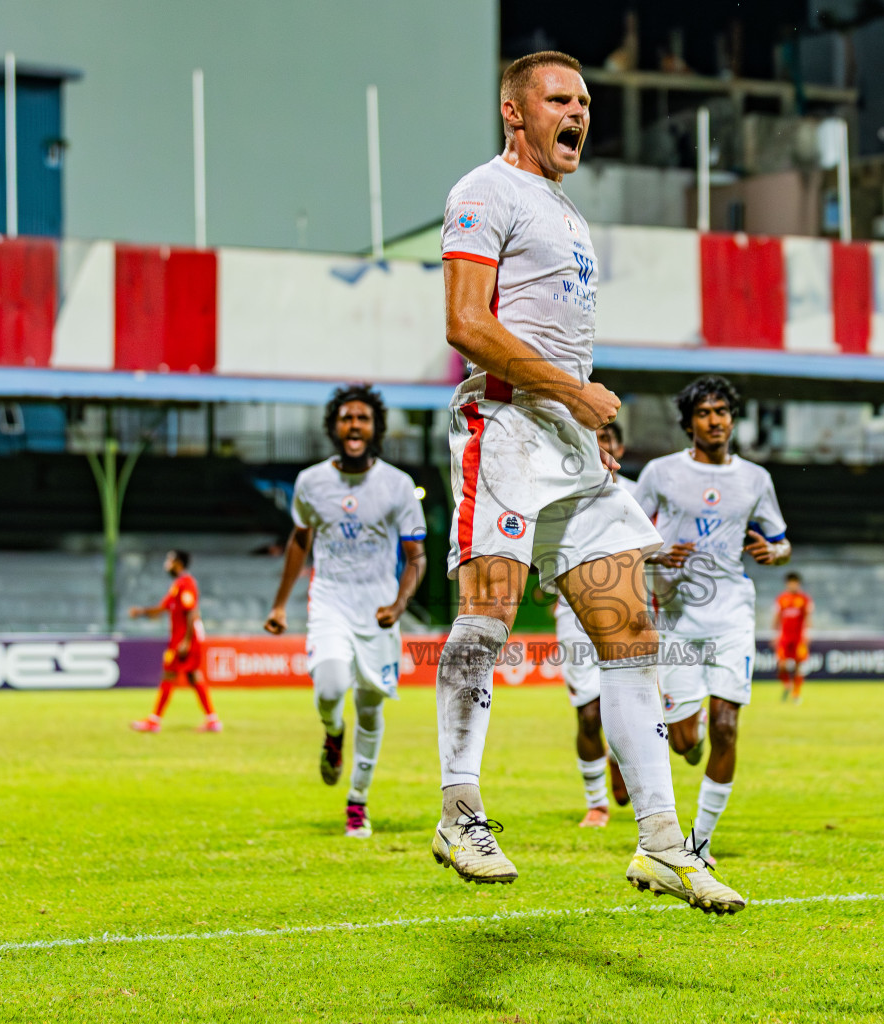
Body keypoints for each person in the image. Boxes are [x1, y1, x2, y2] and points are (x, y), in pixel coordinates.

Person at [434, 50, 744, 913]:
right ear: (514, 112)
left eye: (585, 102)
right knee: (485, 618)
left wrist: (583, 422)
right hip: (502, 431)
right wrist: (575, 392)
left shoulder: (565, 213)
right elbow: (464, 322)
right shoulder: (482, 192)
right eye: (560, 99)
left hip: (570, 448)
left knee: (630, 631)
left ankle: (659, 844)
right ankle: (461, 810)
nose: (579, 113)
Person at [635, 375, 791, 865]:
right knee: (687, 743)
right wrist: (657, 555)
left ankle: (699, 844)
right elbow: (627, 536)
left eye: (721, 411)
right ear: (688, 424)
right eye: (704, 413)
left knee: (727, 726)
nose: (715, 420)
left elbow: (783, 541)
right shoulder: (660, 474)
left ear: (732, 418)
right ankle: (687, 727)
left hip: (731, 613)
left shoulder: (755, 480)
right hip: (678, 616)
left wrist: (774, 552)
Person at [263, 384, 427, 839]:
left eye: (363, 418)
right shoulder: (311, 481)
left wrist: (399, 604)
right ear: (334, 426)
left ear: (375, 428)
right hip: (330, 597)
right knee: (332, 686)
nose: (354, 426)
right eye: (346, 418)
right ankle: (333, 731)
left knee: (371, 708)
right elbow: (300, 540)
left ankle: (357, 802)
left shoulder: (396, 485)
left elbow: (417, 558)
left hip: (376, 606)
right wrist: (280, 604)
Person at [552, 422, 636, 828]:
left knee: (629, 708)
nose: (602, 445)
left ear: (620, 446)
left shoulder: (637, 494)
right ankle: (596, 803)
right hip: (573, 615)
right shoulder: (562, 491)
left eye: (608, 438)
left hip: (628, 614)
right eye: (595, 438)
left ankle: (623, 762)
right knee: (588, 714)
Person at [129, 550, 221, 733]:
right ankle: (213, 720)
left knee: (169, 675)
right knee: (193, 676)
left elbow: (191, 612)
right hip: (183, 637)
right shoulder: (178, 585)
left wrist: (186, 641)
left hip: (185, 638)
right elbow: (162, 609)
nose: (167, 564)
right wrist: (141, 612)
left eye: (169, 560)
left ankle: (154, 721)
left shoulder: (186, 583)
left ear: (178, 563)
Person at [772, 573, 812, 704]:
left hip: (799, 638)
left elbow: (808, 618)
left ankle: (796, 693)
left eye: (795, 582)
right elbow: (776, 617)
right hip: (784, 637)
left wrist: (808, 634)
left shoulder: (804, 599)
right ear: (787, 584)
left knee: (799, 666)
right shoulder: (781, 599)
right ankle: (787, 684)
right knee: (781, 665)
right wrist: (774, 634)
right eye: (790, 582)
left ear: (798, 584)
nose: (793, 585)